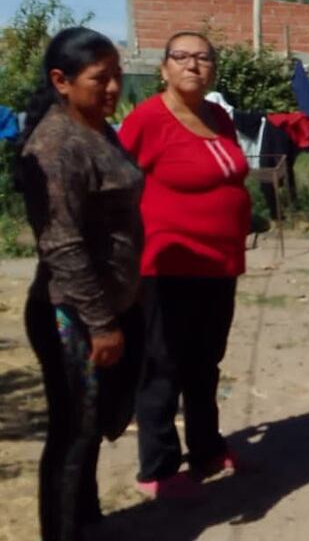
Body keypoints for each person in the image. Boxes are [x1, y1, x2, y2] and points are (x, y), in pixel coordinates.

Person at [18, 27, 145, 540]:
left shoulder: (97, 128)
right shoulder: (55, 146)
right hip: (71, 314)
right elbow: (62, 244)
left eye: (117, 75)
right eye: (101, 78)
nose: (114, 87)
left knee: (97, 426)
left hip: (113, 306)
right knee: (73, 434)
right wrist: (100, 323)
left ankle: (88, 521)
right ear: (61, 81)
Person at [119, 31, 251, 498]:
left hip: (219, 264)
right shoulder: (146, 120)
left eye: (203, 57)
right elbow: (116, 188)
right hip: (165, 264)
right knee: (163, 366)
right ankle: (157, 468)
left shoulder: (218, 117)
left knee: (205, 362)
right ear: (164, 68)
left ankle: (207, 448)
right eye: (182, 57)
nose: (193, 65)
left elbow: (232, 176)